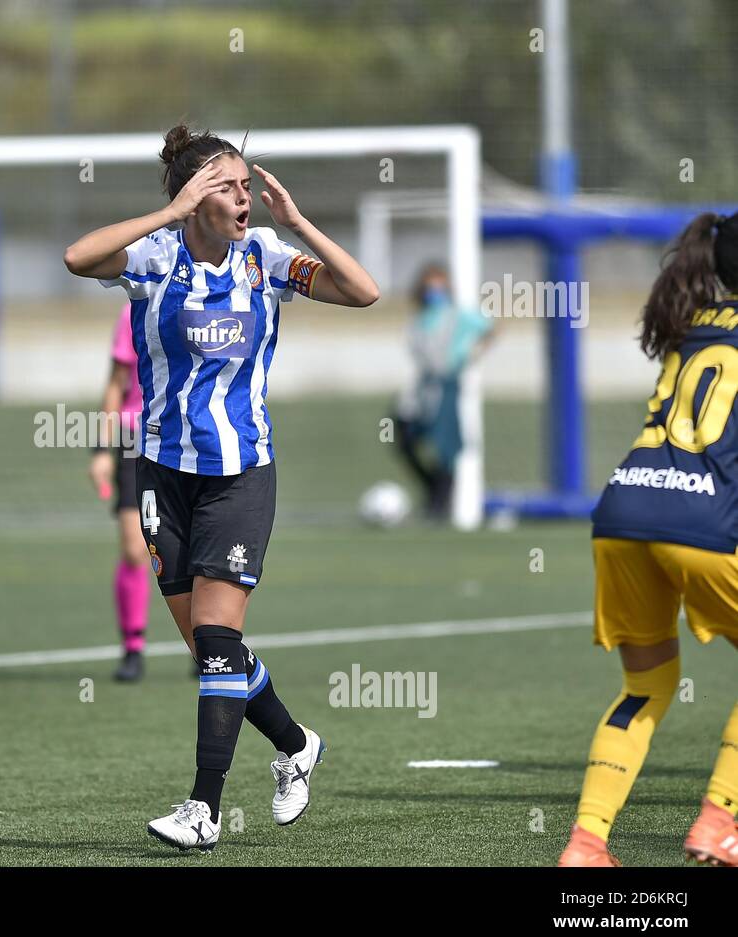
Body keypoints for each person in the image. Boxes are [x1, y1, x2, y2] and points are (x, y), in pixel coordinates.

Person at [64, 124, 380, 852]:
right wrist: (170, 213)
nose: (245, 199)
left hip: (240, 476)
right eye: (229, 188)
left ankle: (202, 809)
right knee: (216, 652)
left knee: (215, 640)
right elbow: (77, 257)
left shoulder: (266, 259)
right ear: (195, 197)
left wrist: (297, 223)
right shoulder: (154, 259)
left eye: (246, 186)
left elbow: (363, 292)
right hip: (161, 475)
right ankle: (297, 745)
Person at [559, 212, 738, 867]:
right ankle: (721, 820)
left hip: (624, 509)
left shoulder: (689, 326)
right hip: (699, 524)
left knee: (647, 686)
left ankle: (586, 842)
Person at [391, 263, 492, 518]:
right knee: (403, 436)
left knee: (445, 445)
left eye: (438, 286)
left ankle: (440, 503)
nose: (433, 292)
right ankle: (432, 487)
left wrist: (470, 354)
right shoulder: (420, 318)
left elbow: (488, 328)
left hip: (446, 384)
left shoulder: (457, 315)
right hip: (423, 387)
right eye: (429, 287)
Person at [88, 304, 152, 681]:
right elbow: (115, 384)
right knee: (133, 548)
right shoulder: (133, 312)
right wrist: (101, 452)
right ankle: (133, 649)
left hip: (188, 439)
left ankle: (206, 644)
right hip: (134, 441)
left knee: (197, 550)